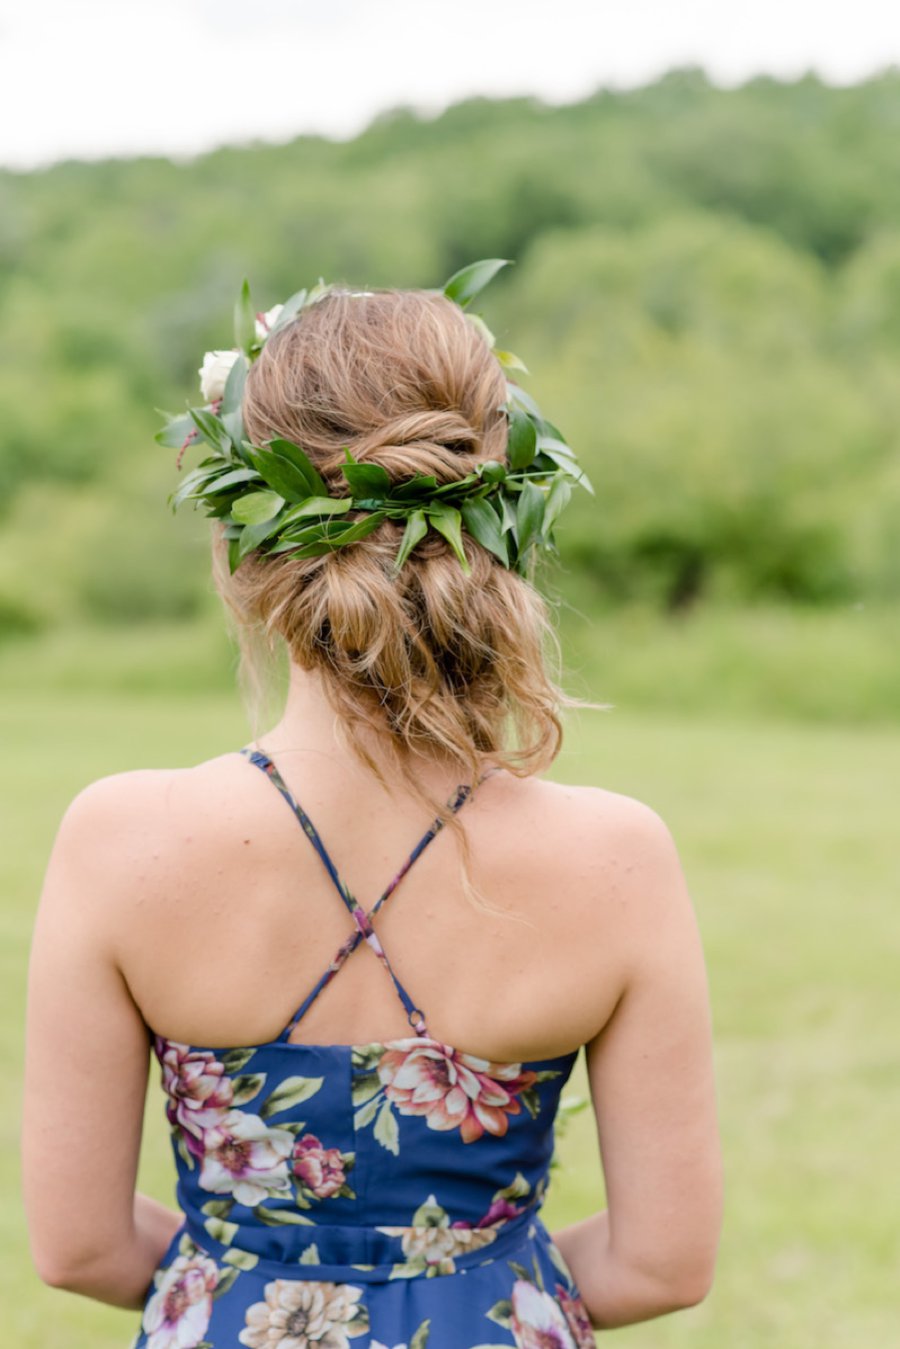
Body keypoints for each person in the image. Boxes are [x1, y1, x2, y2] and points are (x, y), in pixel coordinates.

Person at [22, 271, 722, 1348]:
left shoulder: (120, 841)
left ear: (243, 532)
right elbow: (660, 1261)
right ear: (507, 515)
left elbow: (78, 1246)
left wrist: (245, 1279)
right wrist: (474, 1278)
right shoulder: (618, 856)